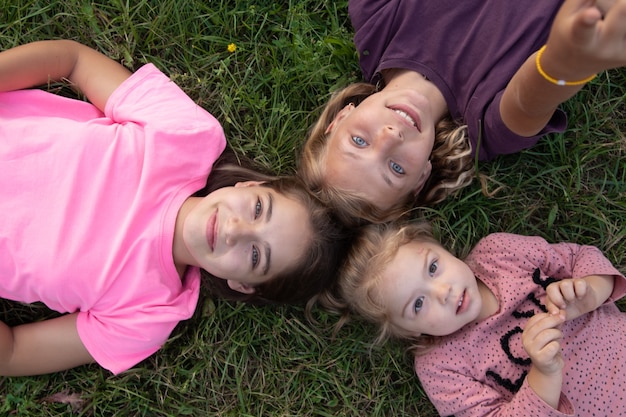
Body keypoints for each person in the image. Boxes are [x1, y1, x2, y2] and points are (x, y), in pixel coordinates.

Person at [0, 40, 351, 377]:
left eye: (257, 256)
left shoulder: (148, 315)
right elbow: (72, 61)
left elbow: (13, 352)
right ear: (251, 186)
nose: (235, 229)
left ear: (243, 285)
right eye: (259, 209)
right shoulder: (188, 135)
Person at [299, 0, 626, 223]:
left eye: (358, 142)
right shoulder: (485, 127)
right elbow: (532, 97)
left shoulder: (376, 21)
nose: (389, 138)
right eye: (396, 168)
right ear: (421, 178)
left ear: (341, 117)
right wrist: (567, 60)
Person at [323, 221, 626, 416]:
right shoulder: (440, 366)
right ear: (407, 331)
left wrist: (590, 292)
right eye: (417, 304)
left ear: (441, 248)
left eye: (432, 268)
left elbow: (578, 257)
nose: (443, 292)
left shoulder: (500, 253)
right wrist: (544, 374)